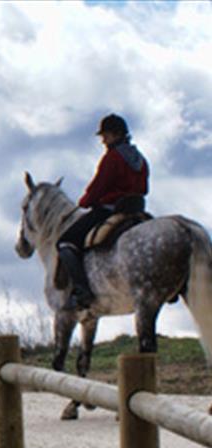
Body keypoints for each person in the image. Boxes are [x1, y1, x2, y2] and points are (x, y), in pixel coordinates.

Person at [57, 113, 149, 310]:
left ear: (115, 134)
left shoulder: (112, 158)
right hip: (136, 210)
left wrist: (85, 201)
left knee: (65, 242)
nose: (103, 140)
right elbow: (144, 188)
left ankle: (82, 291)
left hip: (109, 210)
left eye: (105, 136)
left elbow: (99, 186)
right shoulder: (140, 159)